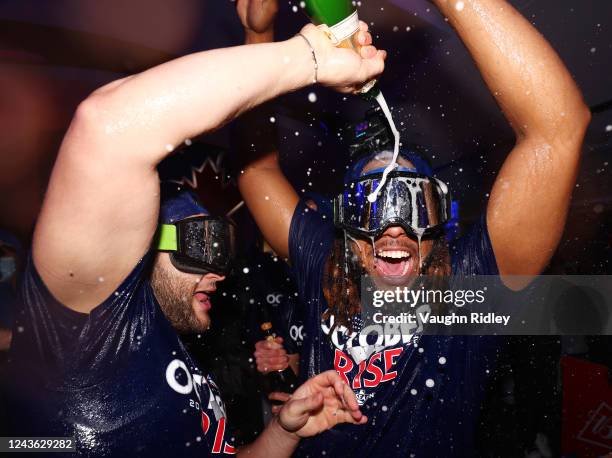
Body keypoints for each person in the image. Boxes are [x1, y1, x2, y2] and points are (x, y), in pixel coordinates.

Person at [3, 2, 386, 455]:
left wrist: (284, 432)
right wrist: (309, 57)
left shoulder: (170, 346)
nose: (219, 270)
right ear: (140, 245)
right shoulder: (83, 326)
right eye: (202, 243)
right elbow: (108, 126)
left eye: (221, 246)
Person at [237, 0, 590, 455]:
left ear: (439, 218)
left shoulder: (470, 288)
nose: (394, 227)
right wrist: (257, 33)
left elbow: (557, 129)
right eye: (373, 204)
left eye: (412, 202)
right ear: (346, 221)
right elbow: (255, 174)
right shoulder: (325, 263)